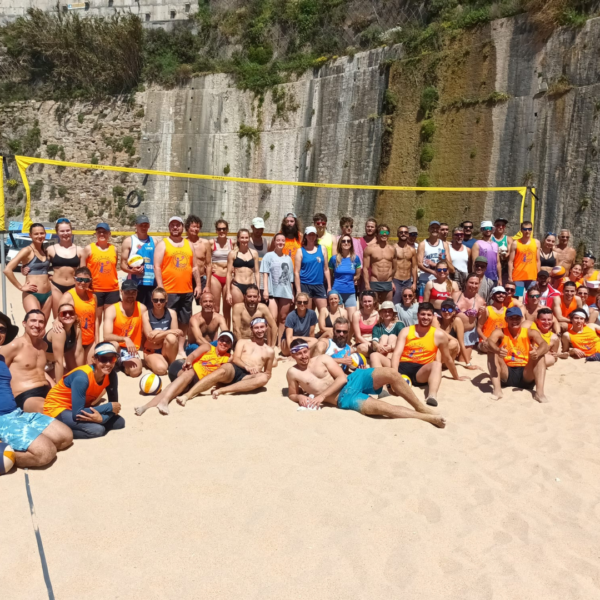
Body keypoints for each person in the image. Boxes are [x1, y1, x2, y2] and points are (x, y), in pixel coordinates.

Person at [286, 339, 446, 427]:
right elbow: (293, 393)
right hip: (344, 399)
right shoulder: (293, 373)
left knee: (391, 373)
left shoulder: (322, 359)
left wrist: (321, 397)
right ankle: (425, 417)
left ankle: (420, 406)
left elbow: (342, 378)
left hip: (354, 379)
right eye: (298, 354)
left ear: (308, 350)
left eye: (305, 351)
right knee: (384, 409)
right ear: (293, 356)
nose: (303, 356)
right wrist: (299, 398)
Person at [0, 311, 73, 468]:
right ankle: (4, 453)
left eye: (2, 329)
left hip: (16, 413)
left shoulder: (1, 357)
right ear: (24, 323)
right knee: (45, 453)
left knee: (65, 437)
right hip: (3, 418)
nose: (0, 333)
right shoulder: (11, 349)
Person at [176, 318, 275, 405]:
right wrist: (247, 367)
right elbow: (236, 359)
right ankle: (188, 395)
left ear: (266, 327)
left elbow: (268, 373)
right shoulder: (243, 342)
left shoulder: (270, 351)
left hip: (248, 377)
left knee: (263, 378)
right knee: (224, 369)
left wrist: (258, 373)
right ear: (251, 329)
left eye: (262, 327)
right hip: (235, 369)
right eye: (256, 328)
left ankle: (223, 390)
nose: (259, 330)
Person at [135, 332, 235, 416]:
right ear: (218, 340)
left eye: (228, 341)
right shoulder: (208, 347)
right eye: (222, 339)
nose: (224, 343)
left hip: (197, 381)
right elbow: (192, 355)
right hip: (183, 367)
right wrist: (189, 362)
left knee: (174, 388)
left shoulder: (228, 358)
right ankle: (165, 401)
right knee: (189, 373)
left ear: (231, 345)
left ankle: (145, 406)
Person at [391, 302, 469, 407]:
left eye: (428, 315)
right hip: (403, 366)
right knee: (375, 356)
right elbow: (396, 354)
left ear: (433, 316)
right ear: (417, 315)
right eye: (423, 314)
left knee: (437, 364)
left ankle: (432, 396)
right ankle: (381, 388)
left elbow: (447, 358)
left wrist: (456, 376)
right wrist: (395, 377)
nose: (425, 317)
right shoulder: (406, 331)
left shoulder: (439, 335)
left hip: (421, 371)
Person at [43, 342, 125, 438]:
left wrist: (102, 418)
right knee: (98, 430)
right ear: (94, 359)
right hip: (57, 409)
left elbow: (115, 408)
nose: (108, 364)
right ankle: (58, 431)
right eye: (103, 359)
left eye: (112, 359)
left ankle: (74, 426)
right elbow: (77, 413)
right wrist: (108, 408)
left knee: (119, 422)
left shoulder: (111, 375)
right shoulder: (82, 377)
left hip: (78, 408)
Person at [154, 216, 200, 355]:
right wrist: (161, 288)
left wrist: (198, 285)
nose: (175, 227)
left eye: (178, 225)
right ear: (169, 227)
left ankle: (180, 348)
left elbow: (195, 267)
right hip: (169, 290)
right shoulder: (163, 244)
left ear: (182, 227)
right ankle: (167, 348)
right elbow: (157, 267)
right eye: (172, 225)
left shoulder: (189, 244)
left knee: (184, 321)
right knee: (168, 320)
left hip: (186, 289)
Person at [486, 307, 549, 402]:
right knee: (491, 351)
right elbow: (489, 341)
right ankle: (497, 390)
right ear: (506, 319)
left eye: (517, 318)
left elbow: (544, 344)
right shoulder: (501, 332)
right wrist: (497, 350)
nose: (515, 321)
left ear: (522, 319)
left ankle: (539, 393)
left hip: (526, 373)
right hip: (506, 372)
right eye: (511, 318)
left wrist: (537, 352)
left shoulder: (529, 332)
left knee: (541, 355)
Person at [0, 310, 52, 413]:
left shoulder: (43, 346)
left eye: (41, 322)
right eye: (33, 320)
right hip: (26, 395)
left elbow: (40, 370)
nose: (37, 325)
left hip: (44, 391)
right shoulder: (14, 346)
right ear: (24, 323)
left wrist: (56, 389)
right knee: (48, 409)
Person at [4, 222, 52, 321]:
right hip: (32, 294)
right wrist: (21, 287)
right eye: (36, 234)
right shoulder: (27, 250)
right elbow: (7, 270)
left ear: (45, 233)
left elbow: (43, 271)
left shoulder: (45, 251)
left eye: (42, 233)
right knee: (34, 325)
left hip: (48, 294)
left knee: (42, 329)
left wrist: (50, 276)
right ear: (30, 235)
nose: (39, 236)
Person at [103, 280, 146, 377]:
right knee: (114, 345)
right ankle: (116, 361)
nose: (130, 295)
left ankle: (121, 364)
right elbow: (106, 336)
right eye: (127, 292)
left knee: (135, 372)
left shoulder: (142, 308)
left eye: (133, 292)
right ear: (121, 292)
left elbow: (146, 331)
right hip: (116, 346)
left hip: (131, 349)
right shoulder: (112, 309)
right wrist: (125, 339)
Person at [55, 266, 99, 363]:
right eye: (79, 279)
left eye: (86, 280)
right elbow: (59, 316)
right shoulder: (68, 296)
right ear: (74, 279)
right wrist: (56, 321)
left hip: (90, 341)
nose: (82, 283)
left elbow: (96, 319)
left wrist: (97, 341)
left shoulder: (93, 296)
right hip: (75, 341)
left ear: (90, 281)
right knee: (77, 371)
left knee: (91, 368)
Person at [81, 223, 119, 322]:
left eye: (104, 232)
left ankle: (109, 338)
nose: (102, 234)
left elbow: (113, 267)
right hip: (95, 289)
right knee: (96, 320)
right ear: (96, 234)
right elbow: (82, 271)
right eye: (99, 232)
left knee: (111, 321)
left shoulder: (114, 249)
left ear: (109, 234)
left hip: (112, 289)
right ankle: (96, 338)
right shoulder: (89, 249)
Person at [260, 233, 294, 343]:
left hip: (285, 291)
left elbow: (290, 278)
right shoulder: (268, 256)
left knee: (283, 319)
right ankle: (271, 342)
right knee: (272, 318)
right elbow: (265, 274)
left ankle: (280, 343)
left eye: (282, 240)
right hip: (272, 292)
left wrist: (292, 293)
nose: (280, 242)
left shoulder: (288, 259)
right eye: (278, 240)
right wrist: (265, 290)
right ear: (274, 242)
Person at [142, 287, 183, 376]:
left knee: (171, 338)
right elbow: (150, 338)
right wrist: (167, 332)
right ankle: (154, 362)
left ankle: (171, 365)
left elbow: (175, 334)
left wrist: (157, 332)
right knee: (161, 370)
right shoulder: (146, 315)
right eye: (155, 300)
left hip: (166, 350)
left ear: (166, 300)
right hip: (151, 350)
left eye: (162, 300)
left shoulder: (172, 313)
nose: (158, 303)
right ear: (151, 300)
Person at [46, 217, 82, 317]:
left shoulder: (79, 250)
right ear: (57, 232)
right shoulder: (50, 249)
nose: (65, 233)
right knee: (59, 318)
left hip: (73, 287)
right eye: (62, 231)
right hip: (56, 287)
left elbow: (84, 272)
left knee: (74, 318)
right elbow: (41, 267)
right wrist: (25, 269)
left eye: (67, 230)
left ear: (71, 231)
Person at [120, 215, 156, 310]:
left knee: (150, 311)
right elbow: (122, 264)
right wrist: (132, 271)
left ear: (149, 226)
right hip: (135, 283)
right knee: (135, 310)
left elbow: (159, 264)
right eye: (141, 225)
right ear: (136, 225)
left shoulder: (154, 242)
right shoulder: (129, 241)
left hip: (151, 282)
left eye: (146, 225)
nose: (144, 227)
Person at [44, 303, 83, 382]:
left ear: (75, 315)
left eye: (71, 313)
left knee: (76, 380)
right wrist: (59, 386)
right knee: (60, 386)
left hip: (53, 365)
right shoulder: (59, 332)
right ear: (58, 317)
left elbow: (79, 352)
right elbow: (59, 361)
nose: (68, 315)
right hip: (42, 366)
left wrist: (82, 373)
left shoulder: (76, 329)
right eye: (63, 313)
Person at [294, 226, 331, 311]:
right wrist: (298, 290)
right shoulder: (300, 251)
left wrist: (329, 287)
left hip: (319, 284)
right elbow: (296, 272)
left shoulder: (322, 249)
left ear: (316, 236)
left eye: (313, 235)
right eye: (309, 235)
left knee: (325, 312)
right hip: (305, 285)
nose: (311, 237)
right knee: (308, 314)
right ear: (306, 236)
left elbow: (326, 269)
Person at [231, 284, 278, 348]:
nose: (252, 299)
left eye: (254, 296)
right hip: (243, 341)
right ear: (244, 296)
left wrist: (273, 346)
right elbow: (236, 329)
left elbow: (274, 326)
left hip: (258, 342)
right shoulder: (238, 308)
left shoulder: (263, 308)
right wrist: (241, 346)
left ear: (258, 297)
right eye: (249, 296)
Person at [417, 220, 454, 300]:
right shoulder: (423, 244)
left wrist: (443, 260)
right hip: (425, 279)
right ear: (429, 229)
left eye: (437, 228)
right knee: (424, 305)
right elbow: (419, 264)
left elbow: (450, 266)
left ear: (439, 230)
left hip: (441, 279)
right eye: (432, 227)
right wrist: (433, 272)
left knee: (440, 303)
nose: (434, 229)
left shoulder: (444, 244)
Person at [453, 273, 486, 363]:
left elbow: (480, 324)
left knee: (462, 361)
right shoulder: (455, 295)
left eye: (476, 283)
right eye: (471, 282)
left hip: (468, 333)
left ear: (479, 285)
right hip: (453, 332)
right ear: (466, 283)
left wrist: (482, 314)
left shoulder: (480, 301)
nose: (473, 285)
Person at [434, 298, 476, 367]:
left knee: (453, 343)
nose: (447, 312)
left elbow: (462, 343)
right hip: (436, 355)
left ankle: (437, 365)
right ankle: (436, 365)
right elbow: (437, 329)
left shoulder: (457, 321)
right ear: (440, 311)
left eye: (450, 310)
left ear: (454, 312)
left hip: (447, 360)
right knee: (452, 342)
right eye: (444, 309)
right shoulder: (436, 319)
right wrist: (454, 339)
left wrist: (468, 364)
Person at [226, 229, 260, 311]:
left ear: (249, 239)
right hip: (237, 286)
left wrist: (258, 290)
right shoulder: (233, 253)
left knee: (251, 312)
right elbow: (228, 274)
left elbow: (257, 273)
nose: (244, 240)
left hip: (251, 285)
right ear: (238, 239)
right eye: (242, 237)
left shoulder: (254, 253)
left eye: (246, 237)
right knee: (237, 312)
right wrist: (228, 292)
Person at [329, 234, 361, 319]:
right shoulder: (333, 259)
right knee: (338, 319)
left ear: (351, 244)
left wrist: (351, 279)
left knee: (352, 319)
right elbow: (330, 275)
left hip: (350, 291)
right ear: (340, 243)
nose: (346, 243)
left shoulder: (355, 258)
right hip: (337, 292)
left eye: (348, 241)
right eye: (343, 241)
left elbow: (358, 274)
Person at [363, 223, 396, 303]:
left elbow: (395, 268)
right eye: (382, 232)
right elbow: (365, 268)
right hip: (375, 282)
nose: (384, 234)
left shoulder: (392, 249)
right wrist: (367, 284)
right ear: (377, 234)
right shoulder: (369, 249)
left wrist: (391, 279)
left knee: (388, 307)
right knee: (374, 307)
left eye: (386, 233)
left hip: (388, 282)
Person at [508, 221, 540, 298]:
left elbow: (538, 260)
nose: (527, 231)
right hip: (518, 277)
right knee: (519, 298)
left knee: (532, 298)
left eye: (529, 229)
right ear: (521, 230)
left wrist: (538, 276)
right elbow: (510, 261)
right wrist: (510, 277)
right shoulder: (515, 243)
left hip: (532, 277)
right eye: (525, 229)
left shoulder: (536, 242)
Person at [210, 219, 234, 320]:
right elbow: (203, 257)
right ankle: (215, 335)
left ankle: (226, 334)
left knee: (227, 308)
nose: (222, 231)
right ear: (216, 230)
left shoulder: (232, 243)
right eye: (219, 229)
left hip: (228, 276)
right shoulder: (211, 242)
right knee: (215, 308)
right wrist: (209, 266)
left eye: (224, 229)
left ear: (227, 230)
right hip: (216, 276)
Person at [281, 291, 319, 356]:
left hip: (303, 341)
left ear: (308, 303)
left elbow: (311, 334)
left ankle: (300, 352)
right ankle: (297, 352)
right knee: (290, 339)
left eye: (305, 302)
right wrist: (292, 351)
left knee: (315, 340)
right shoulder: (291, 316)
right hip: (289, 343)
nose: (302, 304)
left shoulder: (312, 314)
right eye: (299, 302)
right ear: (296, 303)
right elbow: (289, 337)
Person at [185, 215, 212, 303]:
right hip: (187, 279)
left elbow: (208, 265)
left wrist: (207, 285)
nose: (196, 229)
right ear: (188, 227)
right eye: (193, 227)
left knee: (204, 304)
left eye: (198, 227)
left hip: (201, 277)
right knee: (186, 306)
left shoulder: (205, 243)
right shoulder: (183, 243)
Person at [367, 301, 404, 366]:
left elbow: (403, 341)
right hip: (382, 351)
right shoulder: (377, 326)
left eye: (389, 311)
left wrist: (391, 347)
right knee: (384, 337)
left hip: (395, 353)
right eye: (385, 311)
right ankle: (385, 361)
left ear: (393, 313)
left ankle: (387, 361)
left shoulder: (399, 324)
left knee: (392, 336)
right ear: (381, 313)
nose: (387, 313)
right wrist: (379, 346)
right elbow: (374, 341)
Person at [391, 225, 418, 305]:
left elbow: (414, 267)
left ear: (408, 235)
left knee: (408, 304)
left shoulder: (412, 250)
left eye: (405, 232)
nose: (403, 234)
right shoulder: (393, 248)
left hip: (408, 281)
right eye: (401, 232)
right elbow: (390, 266)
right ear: (397, 234)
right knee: (395, 304)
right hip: (396, 280)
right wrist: (391, 281)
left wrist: (414, 283)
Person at [477, 286, 508, 351]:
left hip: (501, 341)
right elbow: (479, 328)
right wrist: (485, 338)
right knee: (489, 347)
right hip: (487, 340)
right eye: (498, 293)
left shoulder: (507, 311)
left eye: (503, 293)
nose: (501, 295)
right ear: (493, 296)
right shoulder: (487, 310)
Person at [471, 221, 501, 286]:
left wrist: (500, 279)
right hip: (482, 278)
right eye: (485, 228)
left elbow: (498, 263)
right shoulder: (477, 244)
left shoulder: (496, 244)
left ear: (492, 230)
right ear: (482, 230)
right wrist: (475, 278)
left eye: (489, 228)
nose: (487, 230)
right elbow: (474, 263)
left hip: (494, 278)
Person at [351, 291, 379, 355]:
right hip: (362, 341)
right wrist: (369, 344)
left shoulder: (378, 315)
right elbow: (358, 335)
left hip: (375, 340)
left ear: (374, 301)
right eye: (365, 301)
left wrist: (374, 344)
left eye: (369, 301)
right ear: (361, 302)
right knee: (363, 348)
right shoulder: (356, 315)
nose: (367, 304)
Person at [492, 217, 512, 285]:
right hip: (492, 267)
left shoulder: (508, 239)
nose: (500, 227)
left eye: (503, 225)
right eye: (498, 225)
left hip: (504, 268)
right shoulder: (490, 238)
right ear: (495, 226)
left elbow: (509, 253)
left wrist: (505, 254)